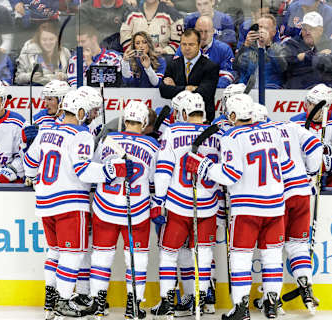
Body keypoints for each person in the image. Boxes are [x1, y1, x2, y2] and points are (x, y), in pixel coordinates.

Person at [184, 94, 295, 320]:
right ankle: (272, 303)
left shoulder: (231, 135)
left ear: (233, 115)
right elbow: (287, 165)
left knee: (241, 257)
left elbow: (230, 175)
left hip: (247, 208)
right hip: (275, 206)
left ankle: (241, 308)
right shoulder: (273, 130)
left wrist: (204, 166)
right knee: (272, 256)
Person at [23, 90, 129, 318]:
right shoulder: (81, 135)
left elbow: (29, 163)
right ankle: (62, 301)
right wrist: (111, 170)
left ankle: (50, 301)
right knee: (73, 254)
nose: (91, 115)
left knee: (55, 252)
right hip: (70, 203)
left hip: (44, 202)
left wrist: (37, 179)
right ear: (81, 112)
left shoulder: (46, 131)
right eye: (89, 111)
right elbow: (84, 171)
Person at [85, 101, 160, 320]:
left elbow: (94, 170)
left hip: (105, 208)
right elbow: (157, 180)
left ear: (124, 119)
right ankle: (133, 305)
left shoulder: (108, 140)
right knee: (137, 259)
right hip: (137, 213)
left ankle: (98, 302)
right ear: (144, 122)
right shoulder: (153, 146)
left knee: (101, 257)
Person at [151, 92, 221, 318]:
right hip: (209, 206)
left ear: (182, 112)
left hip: (178, 205)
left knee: (169, 253)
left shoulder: (173, 131)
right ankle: (199, 298)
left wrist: (159, 201)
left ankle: (167, 301)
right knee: (203, 252)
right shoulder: (217, 134)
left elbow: (163, 171)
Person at [259, 103, 322, 315]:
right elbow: (315, 143)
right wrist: (310, 171)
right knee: (298, 245)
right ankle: (306, 285)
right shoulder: (289, 126)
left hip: (278, 197)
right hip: (302, 192)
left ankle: (271, 298)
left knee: (273, 250)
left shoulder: (256, 135)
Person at [290, 84, 332, 187]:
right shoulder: (294, 123)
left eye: (314, 104)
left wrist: (323, 162)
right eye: (309, 102)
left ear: (326, 108)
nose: (309, 107)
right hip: (303, 173)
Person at [159, 28, 219, 123]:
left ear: (199, 45)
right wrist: (188, 88)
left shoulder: (211, 66)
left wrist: (176, 88)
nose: (187, 48)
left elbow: (205, 93)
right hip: (178, 119)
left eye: (191, 44)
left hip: (202, 120)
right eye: (184, 44)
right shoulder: (173, 64)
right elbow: (164, 91)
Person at [282, 11, 332, 89]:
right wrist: (318, 56)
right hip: (296, 91)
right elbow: (288, 66)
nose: (307, 32)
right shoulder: (291, 44)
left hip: (324, 91)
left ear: (320, 30)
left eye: (311, 29)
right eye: (305, 29)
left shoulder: (330, 44)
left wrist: (304, 57)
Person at [174, 16, 234, 88]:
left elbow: (228, 76)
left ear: (213, 31)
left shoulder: (224, 49)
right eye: (200, 31)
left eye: (206, 31)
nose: (203, 36)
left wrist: (206, 87)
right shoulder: (183, 48)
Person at [234, 14, 286, 89]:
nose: (262, 31)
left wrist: (269, 45)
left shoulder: (280, 48)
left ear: (274, 32)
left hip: (271, 91)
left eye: (266, 28)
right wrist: (245, 46)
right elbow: (236, 67)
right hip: (247, 90)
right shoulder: (248, 47)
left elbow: (282, 69)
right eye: (260, 27)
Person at [16, 21, 71, 86]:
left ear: (57, 39)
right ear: (39, 39)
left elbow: (73, 76)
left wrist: (64, 76)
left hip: (59, 91)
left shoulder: (65, 53)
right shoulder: (28, 52)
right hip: (33, 91)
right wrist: (30, 76)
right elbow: (17, 79)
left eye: (51, 39)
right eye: (44, 40)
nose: (48, 43)